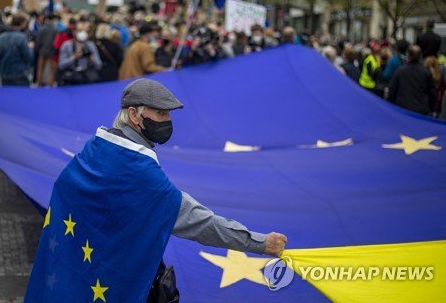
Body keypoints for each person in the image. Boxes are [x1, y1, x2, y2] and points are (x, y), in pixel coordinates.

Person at [25, 78, 287, 302]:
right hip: (110, 281)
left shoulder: (96, 147)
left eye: (169, 114)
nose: (168, 120)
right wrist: (259, 242)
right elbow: (195, 220)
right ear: (134, 115)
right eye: (160, 113)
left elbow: (64, 191)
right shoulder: (137, 169)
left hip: (75, 273)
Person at [389, 45, 436, 115]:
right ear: (420, 56)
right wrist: (431, 108)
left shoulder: (400, 71)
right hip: (421, 111)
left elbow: (392, 90)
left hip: (402, 109)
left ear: (408, 55)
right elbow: (432, 92)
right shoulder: (426, 72)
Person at [0, 14, 34, 86]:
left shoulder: (0, 38)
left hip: (4, 73)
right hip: (20, 73)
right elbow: (29, 57)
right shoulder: (21, 38)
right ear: (22, 23)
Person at [35, 14, 58, 87]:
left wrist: (36, 50)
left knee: (40, 68)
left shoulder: (42, 29)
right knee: (52, 69)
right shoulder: (55, 30)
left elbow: (38, 41)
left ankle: (39, 82)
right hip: (51, 51)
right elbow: (55, 42)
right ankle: (51, 83)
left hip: (42, 51)